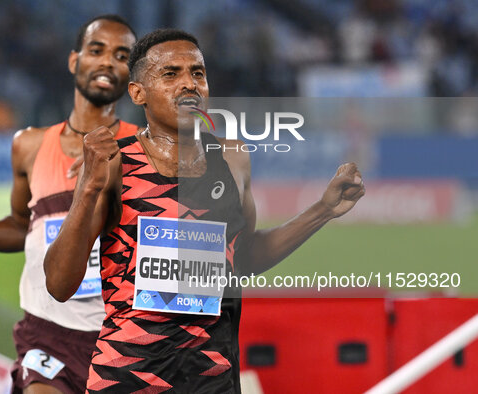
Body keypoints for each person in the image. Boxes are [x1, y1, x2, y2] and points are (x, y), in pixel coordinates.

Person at [44, 29, 365, 393]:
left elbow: (245, 258)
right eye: (171, 74)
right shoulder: (113, 163)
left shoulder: (232, 160)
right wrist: (88, 188)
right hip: (128, 378)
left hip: (211, 379)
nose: (189, 85)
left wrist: (322, 210)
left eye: (198, 73)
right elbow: (59, 283)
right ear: (138, 93)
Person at [0, 15, 139, 394]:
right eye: (97, 50)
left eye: (122, 55)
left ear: (134, 76)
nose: (108, 61)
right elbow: (20, 224)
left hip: (119, 338)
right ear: (74, 61)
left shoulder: (142, 153)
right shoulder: (29, 146)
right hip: (48, 333)